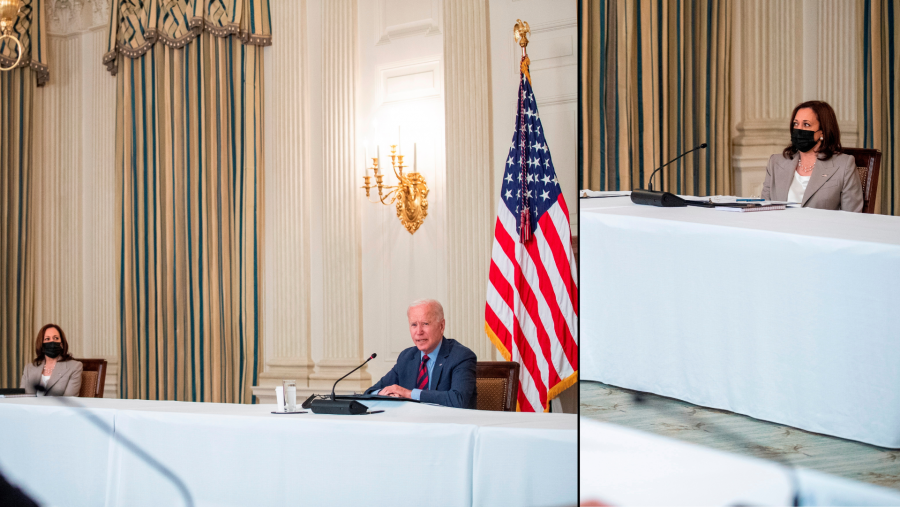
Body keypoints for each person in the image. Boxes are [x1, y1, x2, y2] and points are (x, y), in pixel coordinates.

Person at [366, 299, 477, 409]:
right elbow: (369, 392)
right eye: (414, 325)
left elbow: (458, 401)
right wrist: (384, 393)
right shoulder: (407, 357)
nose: (419, 332)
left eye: (425, 324)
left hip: (446, 424)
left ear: (441, 326)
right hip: (411, 424)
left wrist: (408, 394)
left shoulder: (461, 356)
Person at [761, 100, 863, 211]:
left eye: (806, 124)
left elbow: (852, 216)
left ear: (822, 131)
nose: (799, 129)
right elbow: (764, 210)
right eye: (796, 124)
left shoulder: (844, 165)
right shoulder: (775, 162)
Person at [20, 324, 83, 396]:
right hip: (31, 407)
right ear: (41, 344)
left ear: (61, 344)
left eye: (56, 338)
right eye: (47, 339)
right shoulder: (29, 368)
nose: (52, 342)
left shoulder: (74, 367)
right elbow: (22, 397)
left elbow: (68, 400)